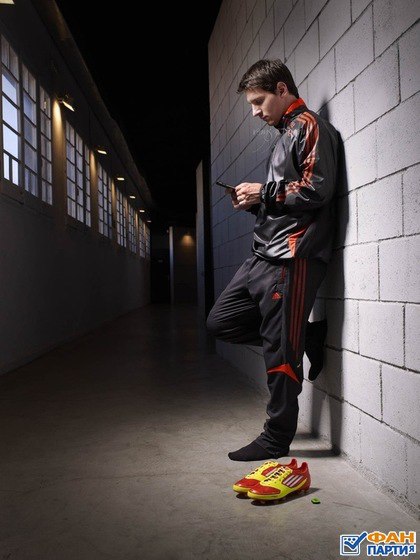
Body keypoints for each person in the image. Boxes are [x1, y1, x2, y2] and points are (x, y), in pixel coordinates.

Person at [206, 59, 340, 462]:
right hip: (264, 254)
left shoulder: (310, 127)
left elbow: (317, 190)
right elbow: (288, 199)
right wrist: (254, 202)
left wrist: (263, 192)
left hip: (292, 257)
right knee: (220, 322)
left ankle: (276, 438)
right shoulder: (285, 135)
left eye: (259, 101)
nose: (255, 112)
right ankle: (305, 337)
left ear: (282, 90)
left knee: (280, 353)